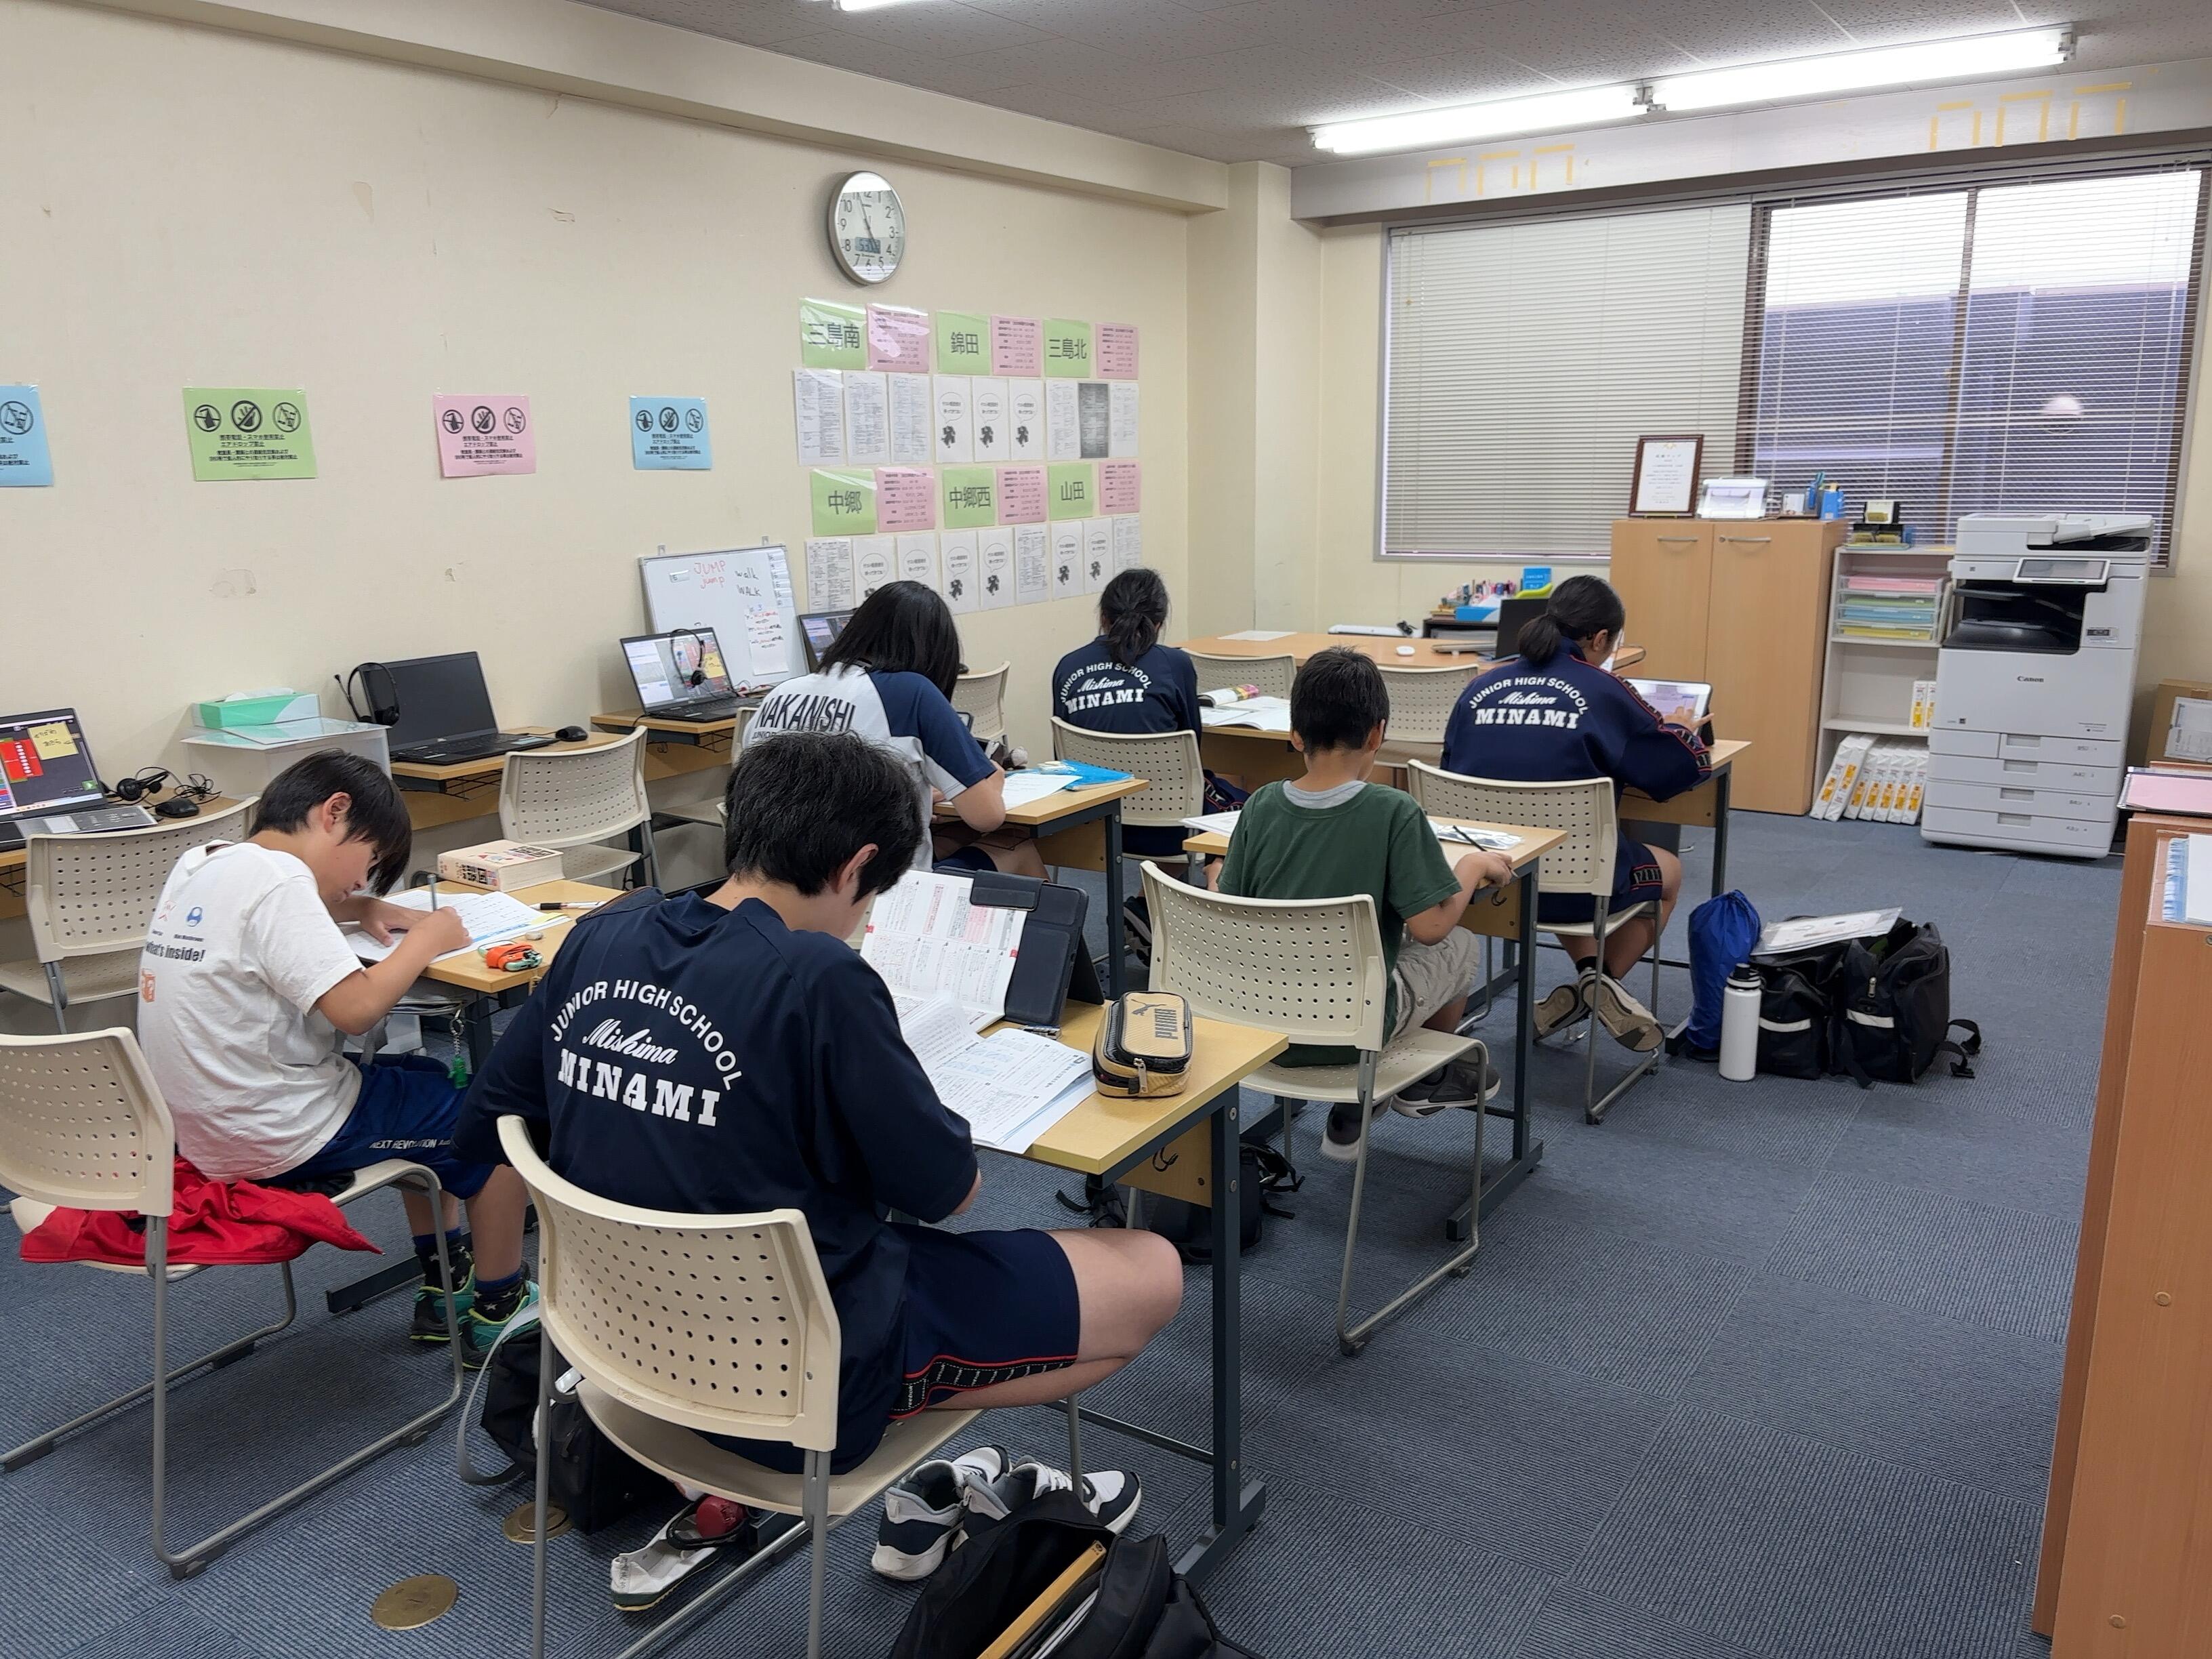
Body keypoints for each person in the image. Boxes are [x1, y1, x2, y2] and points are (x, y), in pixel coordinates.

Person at [454, 732, 1179, 1601]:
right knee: (1151, 1271)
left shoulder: (598, 937)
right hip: (798, 1387)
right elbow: (951, 1191)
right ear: (857, 866)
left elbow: (493, 1125)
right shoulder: (820, 976)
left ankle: (911, 1465)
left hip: (621, 1359)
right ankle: (932, 1456)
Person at [136, 750, 533, 1362]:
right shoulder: (281, 881)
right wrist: (427, 938)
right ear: (335, 811)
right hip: (276, 1131)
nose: (359, 883)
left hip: (200, 1131)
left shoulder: (203, 863)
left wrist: (362, 908)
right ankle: (499, 1309)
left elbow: (264, 919)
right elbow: (357, 1010)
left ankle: (445, 1285)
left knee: (421, 1078)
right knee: (496, 1121)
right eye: (368, 863)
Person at [1216, 649, 1514, 1162]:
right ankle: (1410, 1081)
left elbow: (1231, 909)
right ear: (1377, 735)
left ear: (1295, 735)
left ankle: (1382, 1090)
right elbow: (1431, 927)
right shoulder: (1394, 811)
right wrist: (1470, 867)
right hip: (1352, 1031)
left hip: (1261, 1021)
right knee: (1462, 945)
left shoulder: (1260, 804)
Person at [1438, 573, 1708, 1052]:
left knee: (1560, 853)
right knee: (1665, 871)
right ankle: (1599, 985)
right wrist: (1682, 730)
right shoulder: (1605, 690)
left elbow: (1451, 767)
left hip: (1482, 885)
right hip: (1575, 891)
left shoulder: (1479, 687)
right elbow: (1676, 772)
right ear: (1600, 638)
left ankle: (1590, 977)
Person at [743, 580, 1042, 876]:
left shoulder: (780, 694)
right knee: (1016, 843)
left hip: (776, 878)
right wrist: (995, 779)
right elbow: (987, 816)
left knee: (952, 837)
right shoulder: (910, 693)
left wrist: (914, 797)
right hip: (872, 888)